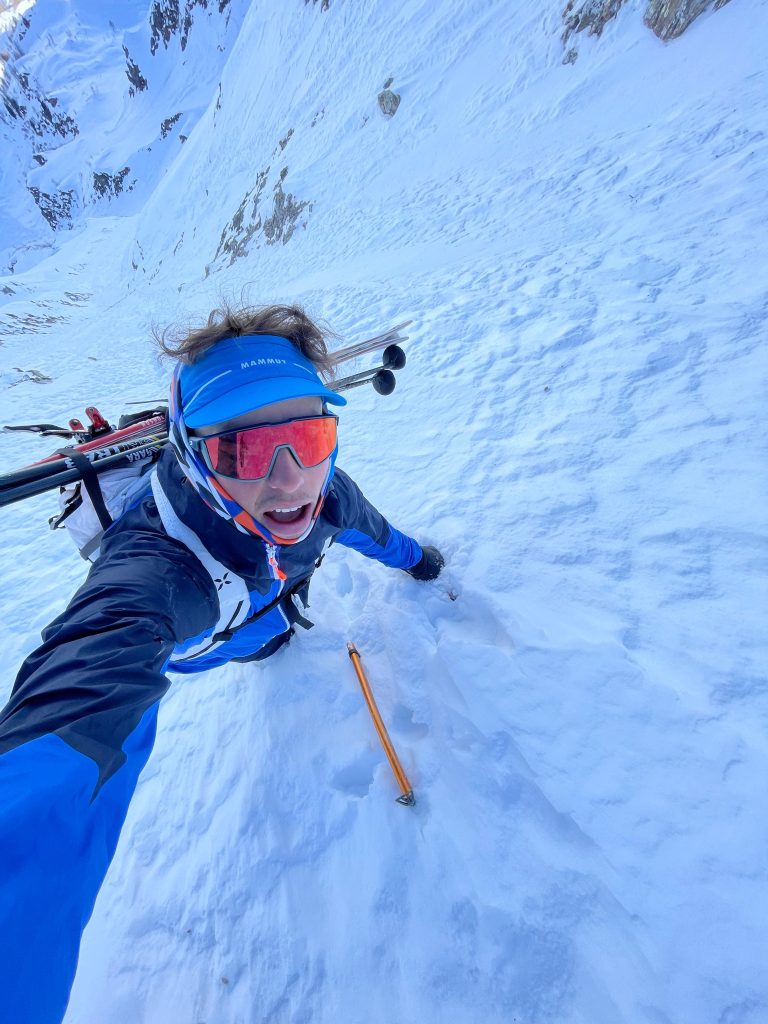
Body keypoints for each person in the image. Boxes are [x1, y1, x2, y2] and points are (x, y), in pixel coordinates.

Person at [0, 304, 444, 1024]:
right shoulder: (154, 568)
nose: (292, 479)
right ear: (190, 454)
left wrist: (421, 562)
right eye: (242, 452)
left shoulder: (331, 497)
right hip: (223, 636)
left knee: (274, 635)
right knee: (262, 641)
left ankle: (270, 632)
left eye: (309, 434)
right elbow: (75, 703)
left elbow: (377, 533)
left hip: (265, 611)